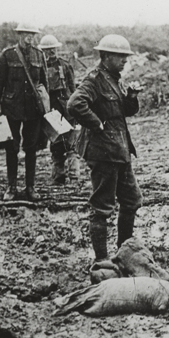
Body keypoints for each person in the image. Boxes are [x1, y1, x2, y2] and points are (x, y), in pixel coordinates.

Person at [67, 35, 143, 262]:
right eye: (120, 57)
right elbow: (74, 104)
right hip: (103, 152)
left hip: (119, 150)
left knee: (132, 200)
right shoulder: (94, 80)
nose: (124, 61)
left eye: (125, 57)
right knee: (102, 207)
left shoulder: (114, 78)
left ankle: (123, 251)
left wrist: (131, 96)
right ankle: (101, 260)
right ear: (106, 56)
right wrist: (96, 123)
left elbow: (123, 112)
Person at [0, 23, 48, 201]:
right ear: (19, 35)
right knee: (11, 147)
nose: (30, 38)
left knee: (31, 148)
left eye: (32, 35)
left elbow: (44, 84)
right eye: (26, 34)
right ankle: (11, 187)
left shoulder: (39, 55)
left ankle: (30, 187)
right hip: (12, 109)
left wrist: (47, 106)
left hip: (33, 110)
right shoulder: (8, 55)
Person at [38, 34, 80, 184]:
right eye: (47, 51)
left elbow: (73, 89)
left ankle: (74, 176)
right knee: (55, 145)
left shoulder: (65, 65)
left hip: (66, 110)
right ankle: (58, 176)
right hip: (50, 111)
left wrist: (74, 108)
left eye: (53, 50)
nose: (51, 53)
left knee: (71, 144)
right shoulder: (38, 69)